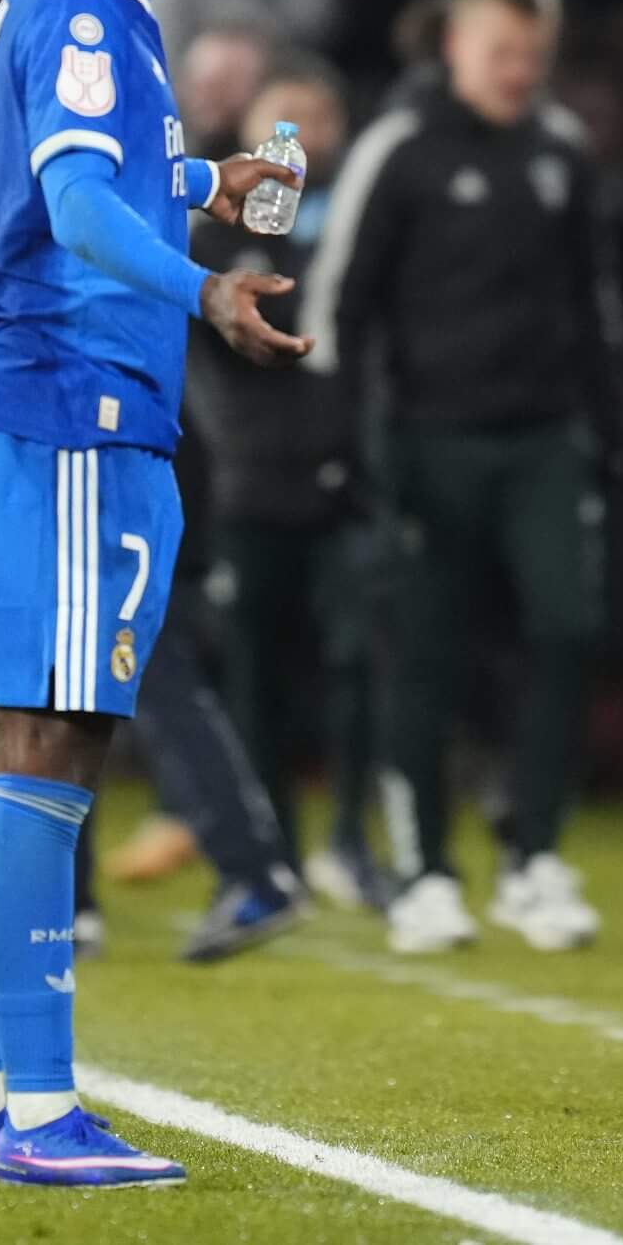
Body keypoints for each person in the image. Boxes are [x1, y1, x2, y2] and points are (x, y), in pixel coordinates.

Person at [0, 0, 308, 1189]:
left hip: (9, 410)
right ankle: (38, 1112)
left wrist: (209, 180)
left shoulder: (85, 3)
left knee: (11, 759)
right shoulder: (92, 12)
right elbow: (74, 205)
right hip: (64, 411)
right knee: (51, 756)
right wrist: (204, 284)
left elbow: (87, 174)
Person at [301, 0, 623, 956]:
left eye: (533, 54)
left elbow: (593, 304)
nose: (518, 71)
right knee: (425, 657)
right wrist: (348, 444)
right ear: (455, 47)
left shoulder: (561, 153)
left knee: (565, 627)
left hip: (539, 441)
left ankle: (531, 857)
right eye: (501, 51)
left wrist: (608, 430)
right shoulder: (400, 148)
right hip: (426, 442)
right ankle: (427, 871)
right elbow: (338, 304)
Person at [190, 54, 389, 910]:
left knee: (355, 664)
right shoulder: (211, 231)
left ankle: (350, 837)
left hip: (347, 480)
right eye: (283, 122)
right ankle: (272, 847)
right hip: (247, 484)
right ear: (248, 133)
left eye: (317, 122)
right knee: (255, 679)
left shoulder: (367, 230)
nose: (300, 139)